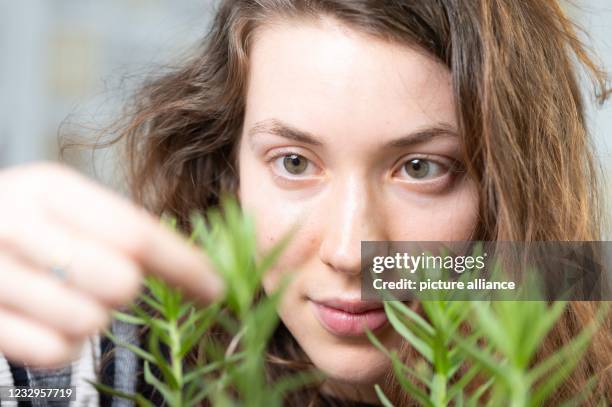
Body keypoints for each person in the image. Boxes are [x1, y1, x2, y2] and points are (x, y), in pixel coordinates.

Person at [0, 0, 610, 405]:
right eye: (295, 163)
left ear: (512, 185)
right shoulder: (102, 357)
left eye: (421, 169)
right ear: (228, 165)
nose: (349, 252)